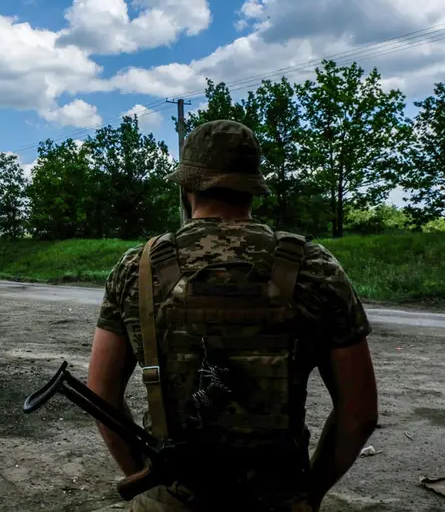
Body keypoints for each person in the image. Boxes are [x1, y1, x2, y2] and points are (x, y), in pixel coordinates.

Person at [87, 120, 378, 511]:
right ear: (252, 189)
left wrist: (148, 478)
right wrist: (310, 492)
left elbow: (101, 395)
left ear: (187, 187)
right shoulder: (315, 266)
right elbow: (359, 413)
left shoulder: (136, 268)